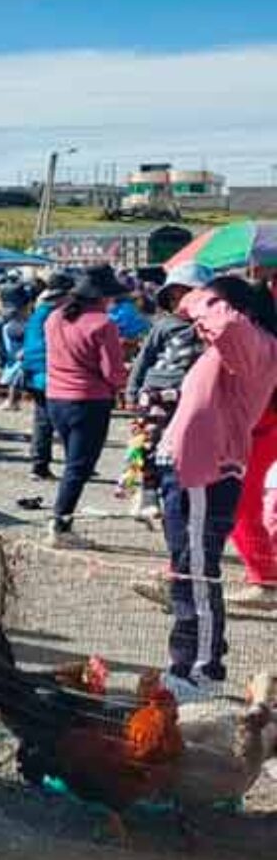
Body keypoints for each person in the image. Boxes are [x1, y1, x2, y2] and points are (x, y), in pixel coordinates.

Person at [153, 276, 277, 688]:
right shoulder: (223, 352)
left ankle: (201, 669)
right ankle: (192, 657)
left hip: (209, 470)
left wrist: (195, 296)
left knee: (197, 573)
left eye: (213, 305)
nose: (197, 319)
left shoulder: (255, 344)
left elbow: (224, 324)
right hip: (184, 467)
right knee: (185, 568)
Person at [43, 266, 129, 549]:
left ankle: (61, 522)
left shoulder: (54, 318)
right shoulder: (103, 324)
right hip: (89, 401)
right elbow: (113, 373)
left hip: (56, 397)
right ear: (102, 297)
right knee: (78, 468)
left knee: (72, 465)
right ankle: (60, 525)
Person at [126, 264, 211, 521]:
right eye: (174, 296)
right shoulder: (164, 325)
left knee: (186, 444)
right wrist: (132, 390)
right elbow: (144, 358)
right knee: (149, 442)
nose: (180, 301)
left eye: (187, 294)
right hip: (158, 390)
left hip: (193, 394)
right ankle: (147, 493)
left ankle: (184, 491)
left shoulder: (213, 324)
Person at [20, 272, 74, 480]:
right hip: (50, 372)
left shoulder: (39, 312)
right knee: (66, 420)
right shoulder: (57, 315)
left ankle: (39, 464)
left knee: (43, 420)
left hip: (34, 372)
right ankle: (73, 463)